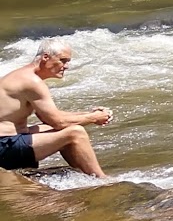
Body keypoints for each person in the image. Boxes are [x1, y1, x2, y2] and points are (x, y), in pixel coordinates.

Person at [0, 40, 111, 177]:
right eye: (63, 60)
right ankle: (102, 179)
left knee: (57, 129)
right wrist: (94, 118)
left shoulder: (24, 76)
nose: (66, 66)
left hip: (9, 140)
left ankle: (85, 174)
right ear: (45, 57)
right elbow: (58, 122)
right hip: (4, 146)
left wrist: (90, 114)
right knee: (75, 133)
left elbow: (50, 117)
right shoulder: (32, 81)